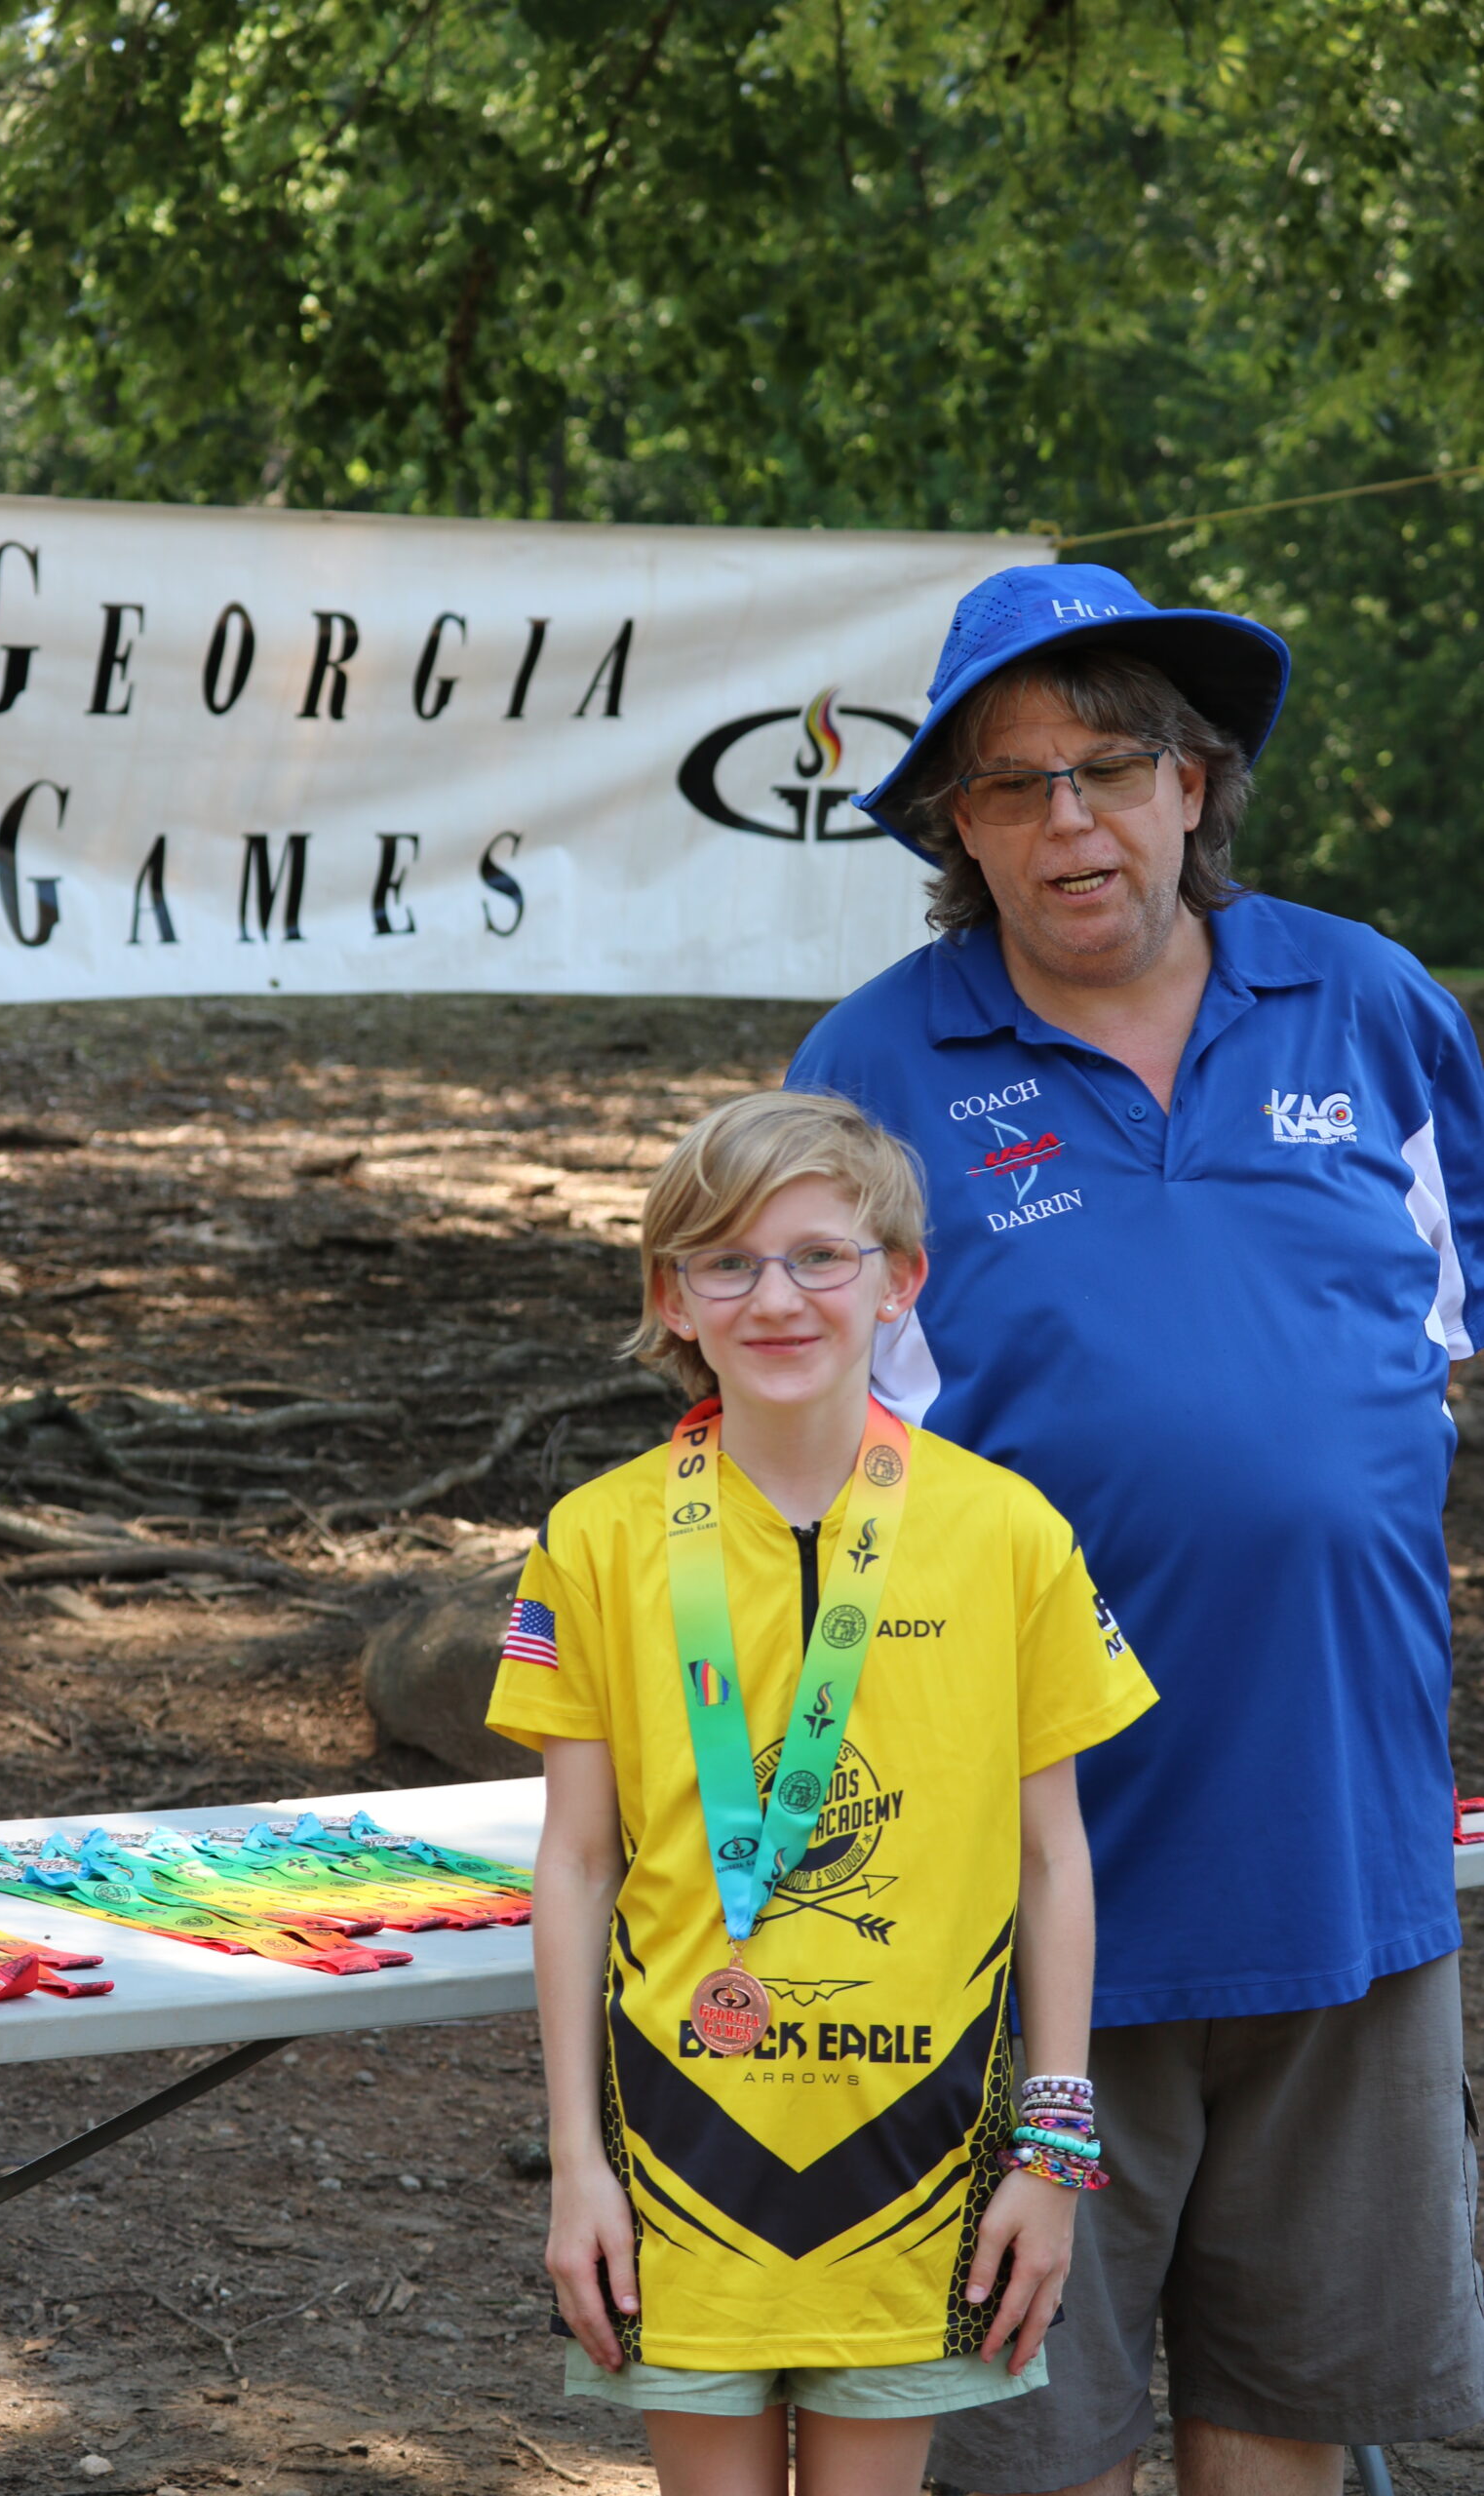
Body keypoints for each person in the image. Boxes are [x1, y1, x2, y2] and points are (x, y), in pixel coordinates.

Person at [787, 560, 1484, 2496]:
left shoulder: (1365, 1001)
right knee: (1037, 2444)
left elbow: (1433, 1334)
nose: (1067, 821)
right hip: (1017, 1883)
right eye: (1012, 786)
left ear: (1192, 783)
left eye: (1107, 769)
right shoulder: (870, 1069)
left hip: (1337, 1851)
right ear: (956, 828)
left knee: (1290, 2407)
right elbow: (792, 1466)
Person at [486, 1091, 1155, 2496]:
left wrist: (1051, 2151)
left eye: (819, 1256)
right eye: (727, 1263)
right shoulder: (597, 1539)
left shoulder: (1008, 1533)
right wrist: (575, 2164)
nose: (776, 1297)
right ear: (672, 1297)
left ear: (898, 1279)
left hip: (919, 2145)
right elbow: (577, 1863)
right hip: (678, 2148)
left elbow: (1052, 1860)